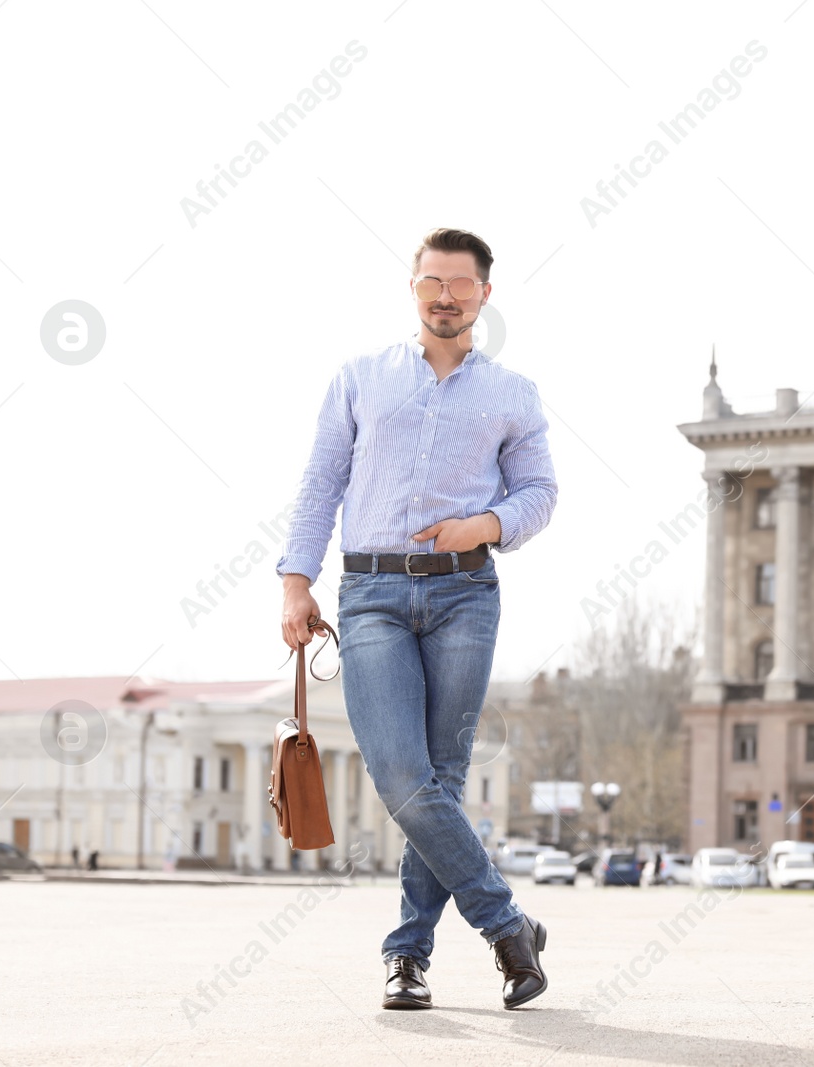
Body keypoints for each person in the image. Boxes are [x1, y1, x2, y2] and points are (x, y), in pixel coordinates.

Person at [276, 228, 558, 1012]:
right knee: (402, 774)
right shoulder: (360, 378)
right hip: (370, 596)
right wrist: (296, 582)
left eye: (459, 285)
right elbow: (321, 480)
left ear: (482, 295)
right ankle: (508, 926)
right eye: (431, 281)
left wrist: (486, 526)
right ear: (413, 287)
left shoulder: (512, 392)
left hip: (466, 592)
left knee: (441, 778)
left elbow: (539, 492)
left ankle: (407, 957)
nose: (444, 295)